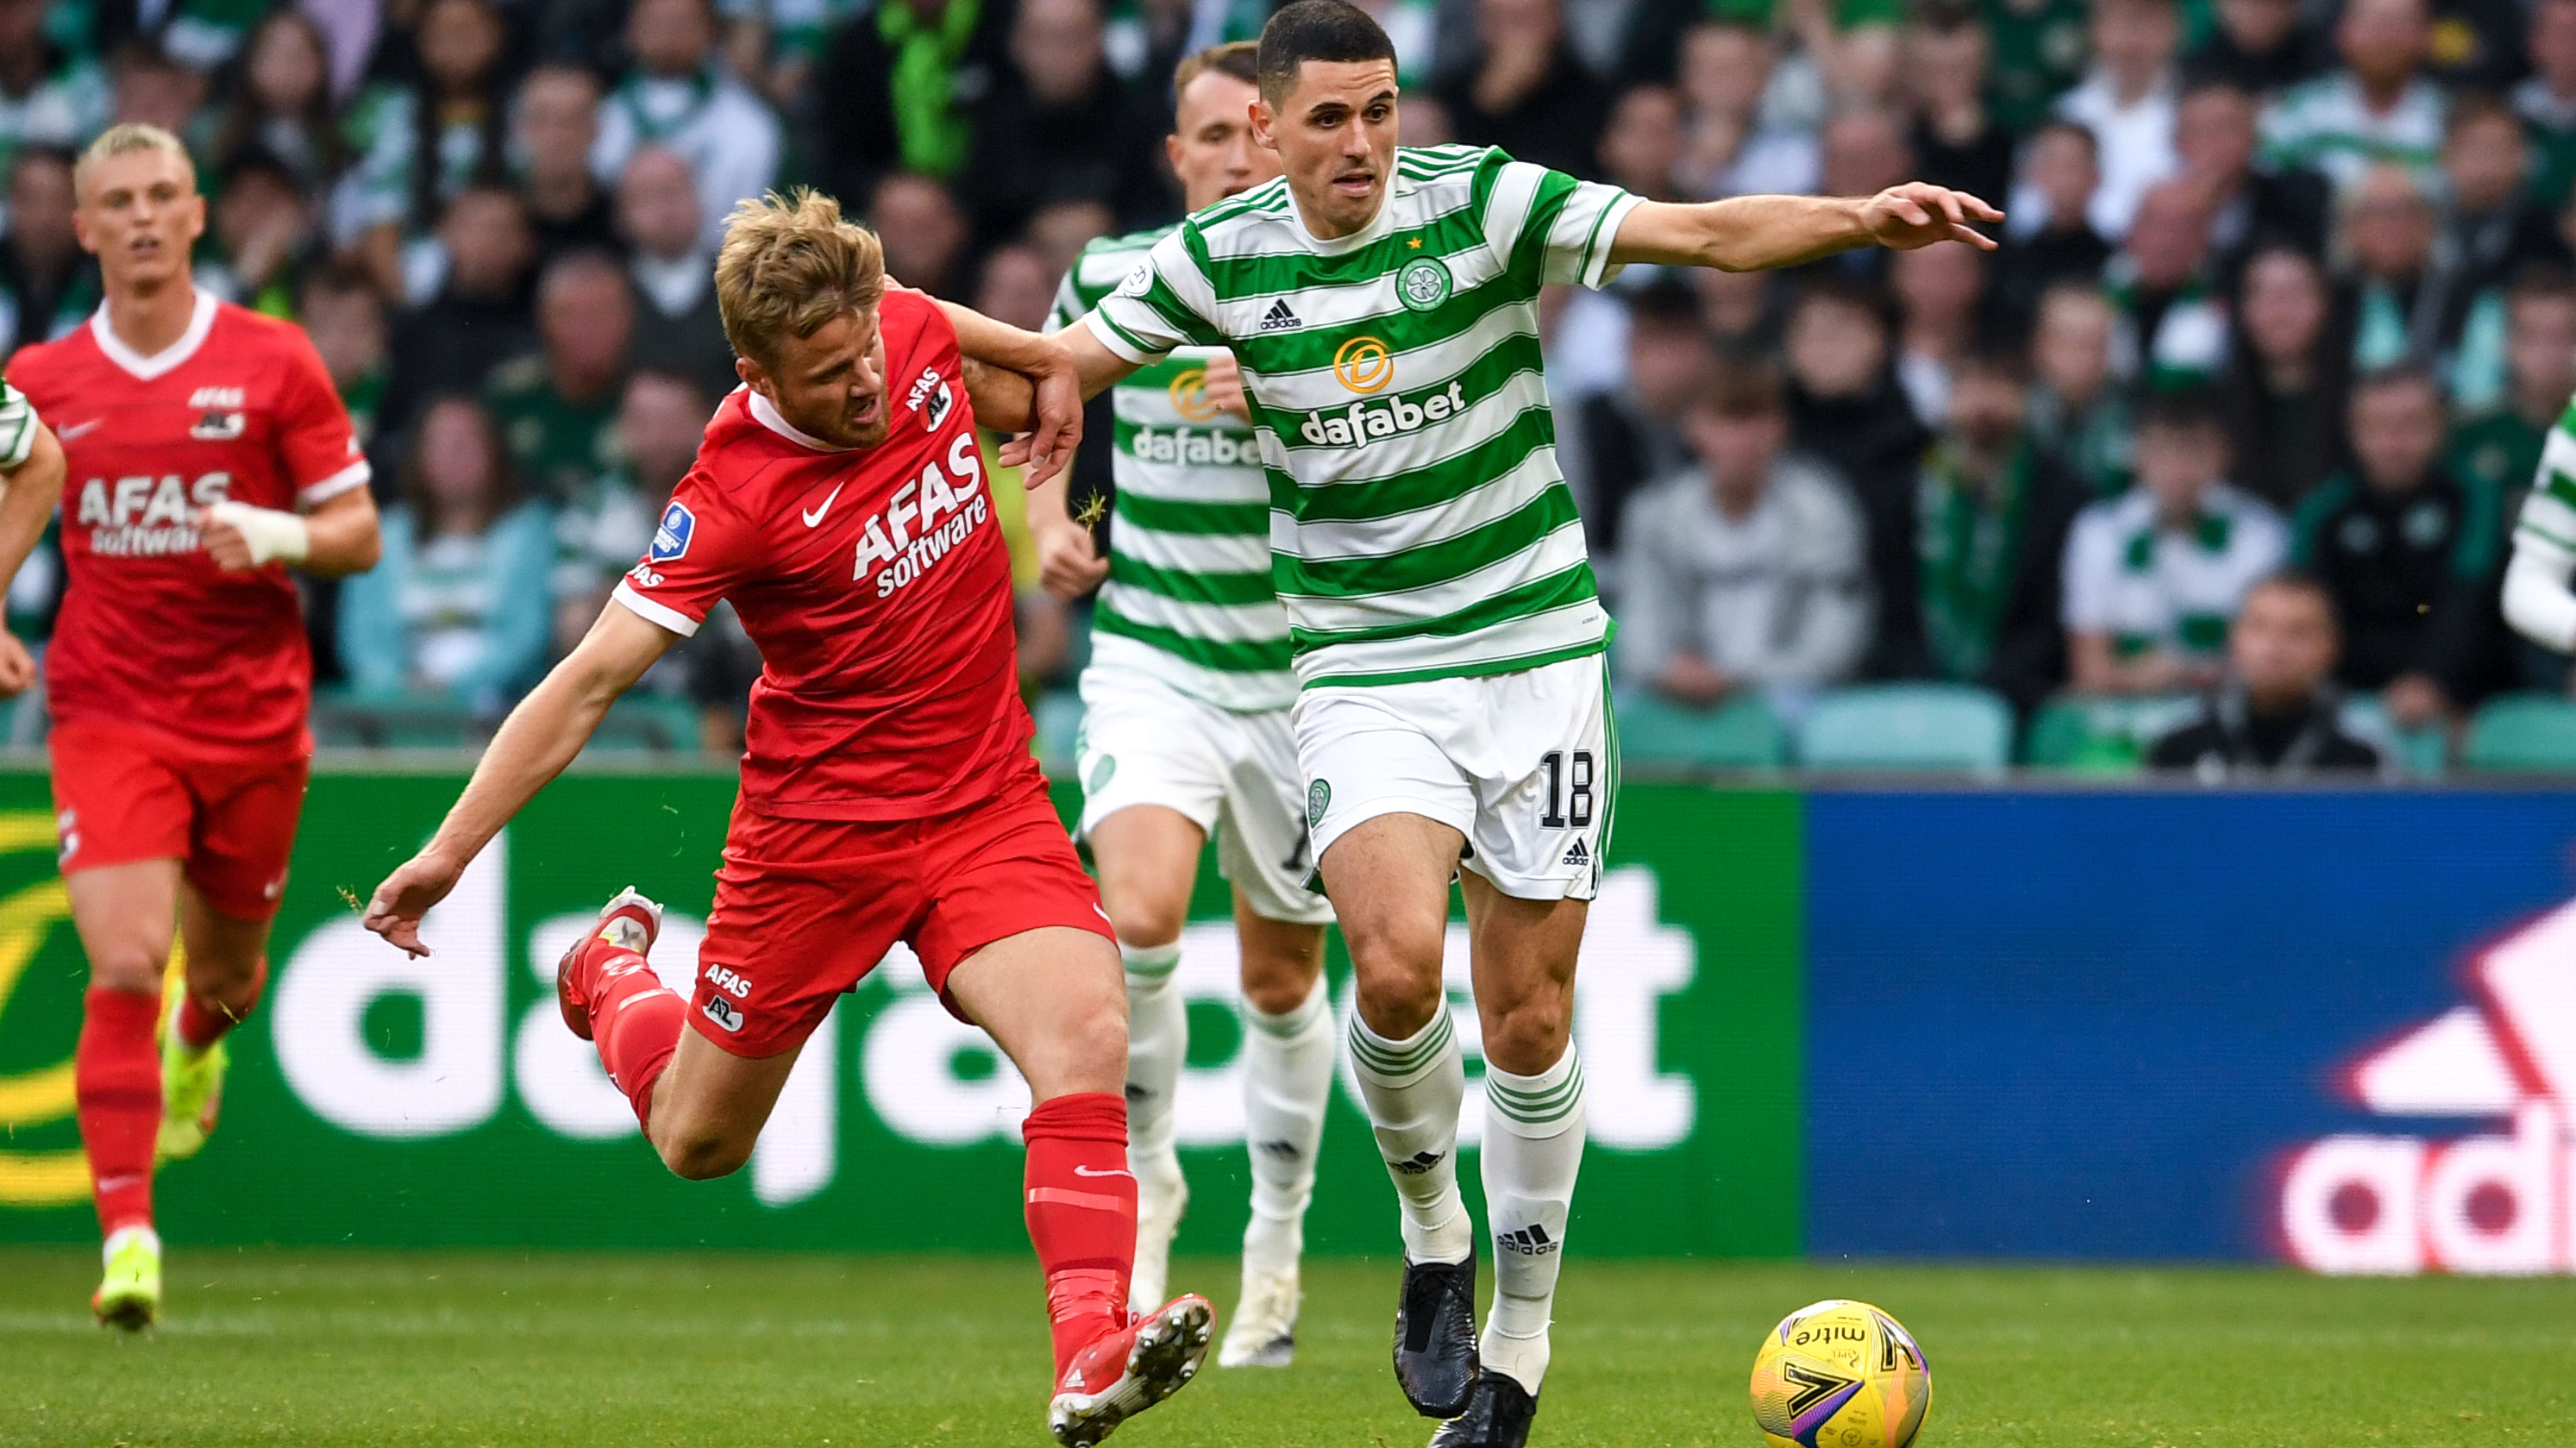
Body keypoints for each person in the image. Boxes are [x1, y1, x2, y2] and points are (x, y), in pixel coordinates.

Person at [951, 3, 1998, 1440]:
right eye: (1329, 117)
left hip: (1535, 653)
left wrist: (1860, 221)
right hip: (1363, 663)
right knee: (1386, 971)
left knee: (1525, 1019)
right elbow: (1047, 361)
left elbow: (1697, 234)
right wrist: (872, 325)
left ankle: (1515, 1348)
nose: (1362, 142)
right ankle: (1431, 1229)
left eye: (1379, 109)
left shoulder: (1483, 202)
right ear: (1270, 128)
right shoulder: (1216, 261)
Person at [360, 190, 1212, 1448]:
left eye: (866, 348)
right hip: (817, 842)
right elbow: (590, 676)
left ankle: (1088, 1344)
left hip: (983, 799)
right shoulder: (731, 491)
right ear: (757, 372)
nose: (865, 384)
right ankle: (612, 977)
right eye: (827, 375)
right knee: (700, 1140)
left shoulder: (906, 330)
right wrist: (446, 851)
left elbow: (1021, 357)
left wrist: (1046, 373)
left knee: (1089, 1025)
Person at [1, 123, 382, 1328]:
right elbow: (21, 494)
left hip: (255, 715)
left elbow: (359, 532)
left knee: (221, 979)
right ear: (86, 227)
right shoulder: (41, 383)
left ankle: (198, 1044)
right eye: (120, 200)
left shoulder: (273, 361)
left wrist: (276, 535)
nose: (145, 215)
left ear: (200, 213)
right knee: (122, 958)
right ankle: (128, 1237)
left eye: (165, 193)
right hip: (109, 706)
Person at [1025, 40, 1336, 1370]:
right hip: (1155, 654)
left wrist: (1277, 397)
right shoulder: (1110, 276)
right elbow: (1038, 409)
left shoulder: (1342, 277)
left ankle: (1276, 1244)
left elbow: (1395, 463)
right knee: (1136, 914)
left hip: (1310, 677)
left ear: (1284, 138)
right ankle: (1152, 1190)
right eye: (1209, 134)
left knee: (1281, 974)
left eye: (1253, 132)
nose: (1235, 154)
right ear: (1177, 153)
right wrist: (1049, 521)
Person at [1614, 358, 1872, 710]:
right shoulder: (1655, 516)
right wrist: (1669, 669)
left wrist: (1737, 677)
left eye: (1755, 420)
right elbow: (1638, 634)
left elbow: (1833, 644)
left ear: (1780, 428)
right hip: (1678, 689)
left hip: (1785, 691)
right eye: (1726, 420)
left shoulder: (1823, 510)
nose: (1742, 439)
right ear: (1693, 427)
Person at [2289, 365, 2502, 730]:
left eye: (2411, 424)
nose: (2393, 441)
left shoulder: (2474, 497)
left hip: (2456, 696)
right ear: (2354, 431)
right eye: (2377, 426)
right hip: (2341, 694)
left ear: (2439, 427)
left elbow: (2467, 602)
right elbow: (2307, 608)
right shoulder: (2322, 509)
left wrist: (2432, 680)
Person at [1883, 342, 2087, 714]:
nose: (1984, 403)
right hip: (1914, 691)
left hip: (2024, 694)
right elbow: (1892, 608)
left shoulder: (2062, 493)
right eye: (1969, 385)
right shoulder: (1903, 488)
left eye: (2000, 385)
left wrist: (1994, 688)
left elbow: (2050, 617)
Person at [335, 395, 555, 712]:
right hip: (397, 712)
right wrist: (398, 689)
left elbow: (526, 634)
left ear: (496, 451)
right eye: (440, 444)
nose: (454, 456)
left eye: (468, 443)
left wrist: (455, 689)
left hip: (501, 712)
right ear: (417, 455)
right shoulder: (383, 536)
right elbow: (363, 639)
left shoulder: (528, 530)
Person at [2063, 388, 2288, 695]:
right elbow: (2088, 670)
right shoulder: (2099, 531)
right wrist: (2145, 677)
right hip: (2124, 711)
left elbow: (2273, 661)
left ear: (2225, 453)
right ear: (2137, 454)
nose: (2178, 469)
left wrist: (2199, 673)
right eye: (2162, 451)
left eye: (2194, 451)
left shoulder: (2260, 531)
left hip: (2228, 708)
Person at [2147, 571, 2389, 776]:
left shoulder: (2364, 754)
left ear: (2331, 647)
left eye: (2298, 632)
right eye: (2259, 628)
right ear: (2234, 638)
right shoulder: (2178, 746)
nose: (2275, 648)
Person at [2217, 244, 2353, 511]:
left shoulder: (2358, 402)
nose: (2279, 312)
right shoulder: (2212, 407)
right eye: (2264, 295)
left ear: (2325, 304)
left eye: (2294, 294)